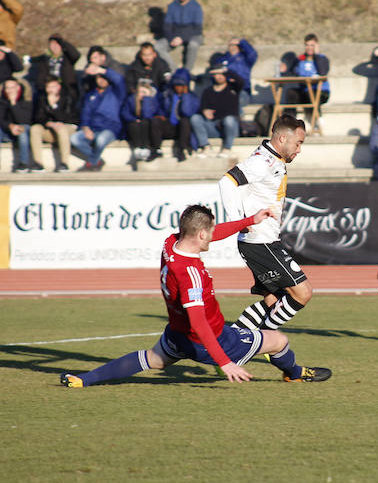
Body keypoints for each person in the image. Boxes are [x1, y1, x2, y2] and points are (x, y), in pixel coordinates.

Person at [60, 204, 331, 387]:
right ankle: (295, 375)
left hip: (177, 334)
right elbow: (200, 324)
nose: (212, 236)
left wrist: (249, 222)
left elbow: (208, 233)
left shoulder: (171, 243)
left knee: (151, 360)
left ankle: (84, 379)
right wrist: (225, 363)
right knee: (279, 340)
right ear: (201, 234)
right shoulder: (191, 274)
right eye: (210, 232)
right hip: (214, 340)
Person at [219, 115, 313, 334]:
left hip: (265, 240)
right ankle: (261, 341)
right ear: (282, 138)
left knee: (274, 301)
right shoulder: (263, 162)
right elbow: (227, 182)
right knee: (303, 292)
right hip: (261, 242)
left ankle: (233, 347)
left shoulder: (272, 159)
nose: (299, 150)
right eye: (298, 143)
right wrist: (237, 221)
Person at [70, 66, 126, 172]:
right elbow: (85, 114)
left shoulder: (116, 93)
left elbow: (119, 80)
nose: (102, 80)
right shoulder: (91, 95)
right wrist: (86, 128)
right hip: (93, 129)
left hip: (110, 129)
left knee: (101, 140)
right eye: (99, 78)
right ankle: (97, 160)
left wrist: (102, 70)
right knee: (74, 139)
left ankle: (92, 162)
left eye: (104, 78)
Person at [190, 64, 242, 157]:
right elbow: (202, 107)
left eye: (222, 74)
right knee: (195, 118)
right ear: (213, 75)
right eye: (217, 74)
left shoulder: (233, 88)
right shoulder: (208, 91)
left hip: (229, 127)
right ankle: (206, 147)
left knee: (229, 120)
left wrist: (226, 71)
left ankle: (227, 148)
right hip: (213, 126)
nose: (220, 76)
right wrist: (204, 111)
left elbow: (241, 81)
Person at [30, 75, 79, 172]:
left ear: (58, 86)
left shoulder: (68, 97)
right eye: (48, 87)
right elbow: (38, 118)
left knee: (61, 129)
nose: (50, 90)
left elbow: (67, 118)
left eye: (53, 86)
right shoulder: (42, 98)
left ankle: (64, 163)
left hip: (67, 129)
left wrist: (53, 106)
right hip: (50, 129)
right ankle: (38, 163)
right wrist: (50, 123)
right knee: (35, 128)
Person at [155, 0, 204, 72]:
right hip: (175, 36)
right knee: (158, 46)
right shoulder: (172, 7)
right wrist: (172, 38)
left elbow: (197, 29)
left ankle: (187, 72)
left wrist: (182, 38)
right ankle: (174, 71)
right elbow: (167, 27)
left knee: (193, 45)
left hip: (192, 35)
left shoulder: (196, 7)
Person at [157, 68, 200, 162]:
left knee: (185, 121)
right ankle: (155, 149)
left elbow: (187, 112)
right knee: (156, 122)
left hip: (185, 130)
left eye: (181, 85)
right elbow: (161, 110)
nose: (178, 87)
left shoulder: (192, 97)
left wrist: (185, 96)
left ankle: (182, 149)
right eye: (176, 85)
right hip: (170, 126)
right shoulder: (167, 95)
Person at [121, 79, 163, 164]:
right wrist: (134, 119)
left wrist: (146, 100)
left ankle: (145, 147)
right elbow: (125, 112)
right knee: (133, 125)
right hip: (134, 123)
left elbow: (148, 115)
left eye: (144, 92)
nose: (142, 94)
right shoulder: (131, 99)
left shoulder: (152, 101)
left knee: (145, 123)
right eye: (141, 92)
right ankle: (137, 148)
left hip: (147, 124)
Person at [210, 37, 258, 109]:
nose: (232, 46)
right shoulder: (222, 59)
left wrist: (242, 42)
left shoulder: (246, 58)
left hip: (243, 89)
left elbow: (253, 54)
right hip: (226, 89)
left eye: (235, 44)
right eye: (230, 44)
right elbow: (215, 73)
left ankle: (235, 119)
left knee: (238, 101)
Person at [0, 78, 34, 172]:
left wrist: (13, 103)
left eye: (12, 87)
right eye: (7, 88)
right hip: (7, 130)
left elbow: (24, 120)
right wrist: (10, 126)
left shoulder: (26, 100)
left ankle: (23, 163)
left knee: (22, 129)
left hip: (23, 128)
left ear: (18, 88)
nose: (9, 91)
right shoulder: (2, 101)